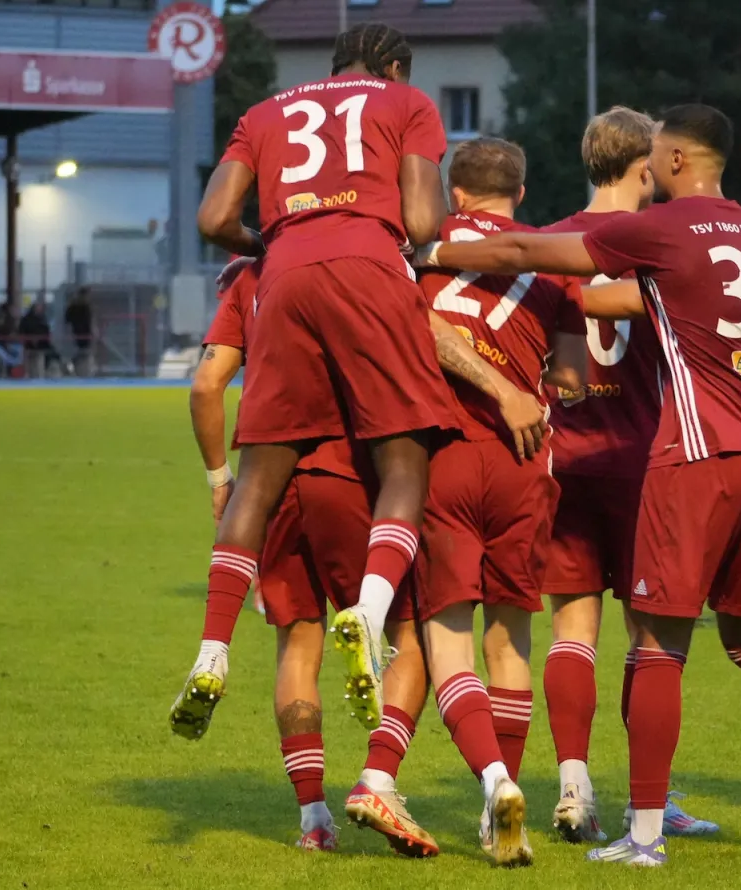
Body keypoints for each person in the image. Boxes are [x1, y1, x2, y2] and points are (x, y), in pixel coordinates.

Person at [417, 104, 741, 866]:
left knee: (652, 645)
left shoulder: (662, 229)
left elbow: (518, 249)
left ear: (672, 161)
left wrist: (429, 249)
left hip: (695, 457)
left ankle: (643, 834)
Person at [175, 21, 548, 737]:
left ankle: (212, 650)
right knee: (405, 459)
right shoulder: (406, 105)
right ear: (396, 68)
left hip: (282, 278)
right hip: (370, 271)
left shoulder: (264, 112)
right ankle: (369, 616)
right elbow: (417, 217)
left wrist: (273, 242)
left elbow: (214, 216)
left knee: (259, 476)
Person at [185, 253, 546, 856]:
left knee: (298, 646)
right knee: (413, 641)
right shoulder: (365, 266)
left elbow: (205, 384)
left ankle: (313, 820)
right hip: (345, 471)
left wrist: (220, 477)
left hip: (269, 480)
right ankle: (383, 776)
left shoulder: (253, 275)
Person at [343, 138, 585, 868]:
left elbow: (419, 325)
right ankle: (499, 814)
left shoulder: (422, 247)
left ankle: (498, 782)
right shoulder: (548, 262)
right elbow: (571, 377)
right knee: (511, 637)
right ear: (520, 188)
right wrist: (528, 380)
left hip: (445, 459)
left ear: (454, 194)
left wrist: (487, 383)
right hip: (525, 461)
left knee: (445, 639)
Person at [533, 107, 718, 844]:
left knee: (572, 627)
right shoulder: (665, 243)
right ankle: (655, 798)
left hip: (567, 458)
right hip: (647, 462)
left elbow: (552, 358)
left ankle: (574, 784)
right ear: (647, 166)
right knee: (654, 641)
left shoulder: (547, 242)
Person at [19, 300, 58, 374]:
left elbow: (46, 331)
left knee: (38, 366)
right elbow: (22, 331)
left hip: (39, 347)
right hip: (29, 347)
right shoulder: (28, 319)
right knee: (31, 367)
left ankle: (38, 378)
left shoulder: (42, 319)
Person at [63, 289, 93, 374]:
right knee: (80, 354)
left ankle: (78, 370)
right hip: (78, 335)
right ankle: (73, 369)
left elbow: (89, 322)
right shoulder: (77, 307)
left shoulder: (85, 307)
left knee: (83, 355)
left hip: (83, 336)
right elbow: (68, 320)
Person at [0, 302, 22, 373]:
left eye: (2, 318)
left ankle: (17, 366)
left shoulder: (7, 326)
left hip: (7, 346)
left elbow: (9, 337)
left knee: (19, 349)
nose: (1, 320)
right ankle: (11, 363)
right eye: (0, 318)